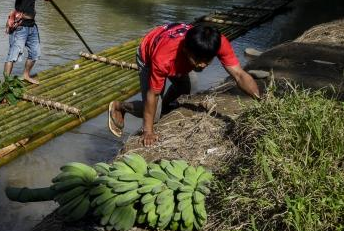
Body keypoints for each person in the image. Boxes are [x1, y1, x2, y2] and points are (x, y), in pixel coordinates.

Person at [108, 23, 260, 146]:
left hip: (173, 50)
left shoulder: (215, 43)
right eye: (198, 60)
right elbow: (152, 94)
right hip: (148, 54)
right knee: (153, 116)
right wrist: (148, 131)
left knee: (186, 88)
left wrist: (261, 100)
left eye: (207, 61)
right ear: (186, 51)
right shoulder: (163, 58)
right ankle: (120, 107)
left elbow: (239, 75)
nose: (202, 65)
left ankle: (165, 107)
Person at [4, 0, 50, 84]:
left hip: (31, 25)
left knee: (35, 53)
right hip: (20, 26)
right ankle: (6, 84)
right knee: (13, 55)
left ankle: (26, 75)